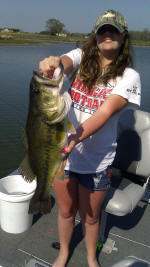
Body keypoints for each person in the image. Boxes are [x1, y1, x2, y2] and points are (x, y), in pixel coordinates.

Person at [39, 9, 141, 267]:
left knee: (91, 216)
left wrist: (75, 137)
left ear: (123, 36)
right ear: (95, 37)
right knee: (65, 211)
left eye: (114, 29)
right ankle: (63, 253)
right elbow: (65, 63)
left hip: (97, 161)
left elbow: (106, 111)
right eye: (102, 30)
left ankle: (90, 257)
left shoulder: (129, 77)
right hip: (63, 156)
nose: (108, 34)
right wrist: (54, 65)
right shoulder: (81, 57)